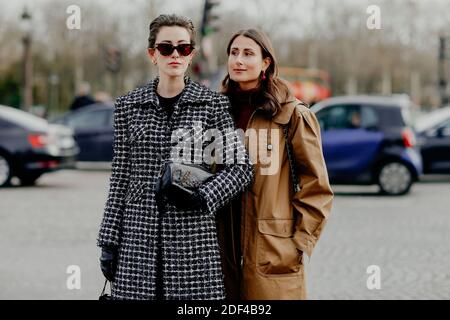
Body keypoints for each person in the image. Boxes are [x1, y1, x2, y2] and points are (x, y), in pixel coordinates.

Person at [97, 14, 254, 300]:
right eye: (165, 47)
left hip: (193, 243)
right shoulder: (128, 106)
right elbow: (120, 178)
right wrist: (109, 241)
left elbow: (240, 168)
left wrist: (203, 196)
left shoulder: (213, 105)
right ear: (152, 54)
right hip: (136, 244)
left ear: (191, 54)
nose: (174, 54)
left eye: (183, 48)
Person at [220, 29, 334, 300]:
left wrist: (299, 243)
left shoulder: (291, 114)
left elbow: (316, 186)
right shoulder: (215, 112)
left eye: (248, 53)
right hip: (220, 248)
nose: (239, 60)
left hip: (272, 251)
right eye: (234, 53)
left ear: (265, 62)